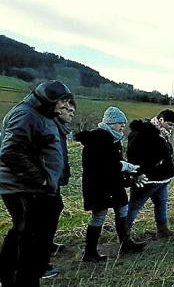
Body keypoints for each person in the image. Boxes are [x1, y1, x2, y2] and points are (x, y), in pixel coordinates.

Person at [0, 80, 73, 286]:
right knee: (28, 237)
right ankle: (19, 279)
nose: (64, 106)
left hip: (33, 187)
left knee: (29, 235)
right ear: (48, 99)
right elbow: (10, 151)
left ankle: (16, 276)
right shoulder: (25, 114)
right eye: (61, 101)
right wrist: (40, 178)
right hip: (23, 187)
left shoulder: (42, 115)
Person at [74, 106, 146, 262]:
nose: (123, 126)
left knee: (123, 210)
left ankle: (125, 244)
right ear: (111, 122)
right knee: (99, 217)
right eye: (120, 123)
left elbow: (116, 163)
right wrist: (125, 166)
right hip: (98, 186)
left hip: (114, 184)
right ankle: (90, 253)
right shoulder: (97, 140)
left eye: (123, 123)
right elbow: (104, 166)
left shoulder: (114, 138)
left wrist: (130, 172)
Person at [127, 109, 174, 238]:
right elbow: (132, 154)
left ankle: (163, 230)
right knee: (134, 207)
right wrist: (138, 173)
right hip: (147, 180)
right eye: (170, 124)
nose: (171, 128)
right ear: (161, 120)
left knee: (161, 203)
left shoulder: (161, 133)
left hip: (162, 179)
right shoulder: (144, 132)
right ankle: (124, 234)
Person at [43, 98, 77, 278]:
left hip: (52, 180)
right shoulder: (49, 126)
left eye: (73, 109)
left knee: (55, 210)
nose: (72, 111)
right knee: (41, 220)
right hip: (44, 182)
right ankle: (40, 264)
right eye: (68, 108)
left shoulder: (59, 128)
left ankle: (46, 246)